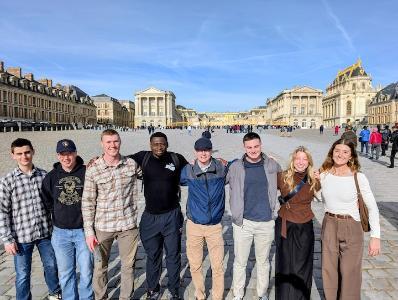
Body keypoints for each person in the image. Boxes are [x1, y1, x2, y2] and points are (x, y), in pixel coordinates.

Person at [128, 132, 188, 299]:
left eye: (162, 144)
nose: (159, 147)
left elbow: (193, 172)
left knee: (173, 255)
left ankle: (174, 290)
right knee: (153, 255)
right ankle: (153, 289)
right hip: (150, 217)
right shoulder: (143, 157)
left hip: (172, 216)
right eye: (155, 144)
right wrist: (96, 159)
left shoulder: (177, 159)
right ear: (150, 144)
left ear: (167, 144)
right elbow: (119, 160)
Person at [82, 129, 140, 300]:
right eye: (108, 142)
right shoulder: (93, 169)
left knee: (128, 266)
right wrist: (89, 232)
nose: (112, 145)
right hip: (103, 227)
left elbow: (150, 172)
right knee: (100, 267)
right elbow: (87, 202)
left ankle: (125, 298)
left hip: (128, 225)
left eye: (115, 141)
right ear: (102, 144)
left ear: (120, 142)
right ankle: (101, 297)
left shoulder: (131, 164)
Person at [319, 138, 381, 299]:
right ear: (332, 152)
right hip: (329, 223)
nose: (340, 154)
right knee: (329, 269)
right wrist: (315, 182)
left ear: (351, 156)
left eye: (345, 152)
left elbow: (373, 208)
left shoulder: (358, 177)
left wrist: (376, 237)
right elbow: (320, 198)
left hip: (351, 226)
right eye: (337, 150)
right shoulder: (324, 174)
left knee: (350, 272)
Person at [0, 138, 61, 300]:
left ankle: (55, 294)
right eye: (19, 154)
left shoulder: (44, 176)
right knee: (22, 274)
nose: (24, 156)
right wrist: (7, 239)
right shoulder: (7, 181)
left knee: (52, 266)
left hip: (45, 233)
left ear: (33, 151)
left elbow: (54, 203)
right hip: (21, 237)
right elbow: (2, 212)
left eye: (27, 152)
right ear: (13, 155)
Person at [226, 132, 281, 300]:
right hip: (243, 223)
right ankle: (238, 294)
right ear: (244, 148)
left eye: (256, 146)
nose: (253, 150)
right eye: (249, 147)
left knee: (263, 262)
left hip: (265, 222)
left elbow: (288, 179)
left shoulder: (272, 164)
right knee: (240, 262)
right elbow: (217, 177)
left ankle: (262, 293)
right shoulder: (235, 167)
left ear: (261, 145)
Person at [41, 139, 93, 300]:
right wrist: (58, 213)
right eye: (62, 154)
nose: (66, 157)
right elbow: (47, 200)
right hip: (61, 233)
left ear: (75, 153)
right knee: (65, 273)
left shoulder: (87, 172)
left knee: (86, 272)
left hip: (84, 232)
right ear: (58, 156)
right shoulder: (51, 177)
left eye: (69, 153)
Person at [180, 137, 226, 300]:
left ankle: (217, 296)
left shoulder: (221, 167)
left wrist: (265, 158)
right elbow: (168, 174)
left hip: (214, 226)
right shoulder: (188, 170)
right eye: (200, 150)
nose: (203, 153)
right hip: (194, 225)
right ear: (195, 152)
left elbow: (240, 164)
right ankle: (200, 294)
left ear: (211, 151)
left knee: (218, 265)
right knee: (195, 265)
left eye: (206, 150)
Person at [275, 146, 320, 300]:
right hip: (285, 224)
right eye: (297, 158)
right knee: (285, 264)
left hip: (305, 224)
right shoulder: (282, 176)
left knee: (303, 264)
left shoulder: (314, 179)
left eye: (304, 159)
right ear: (292, 160)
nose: (300, 162)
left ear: (309, 162)